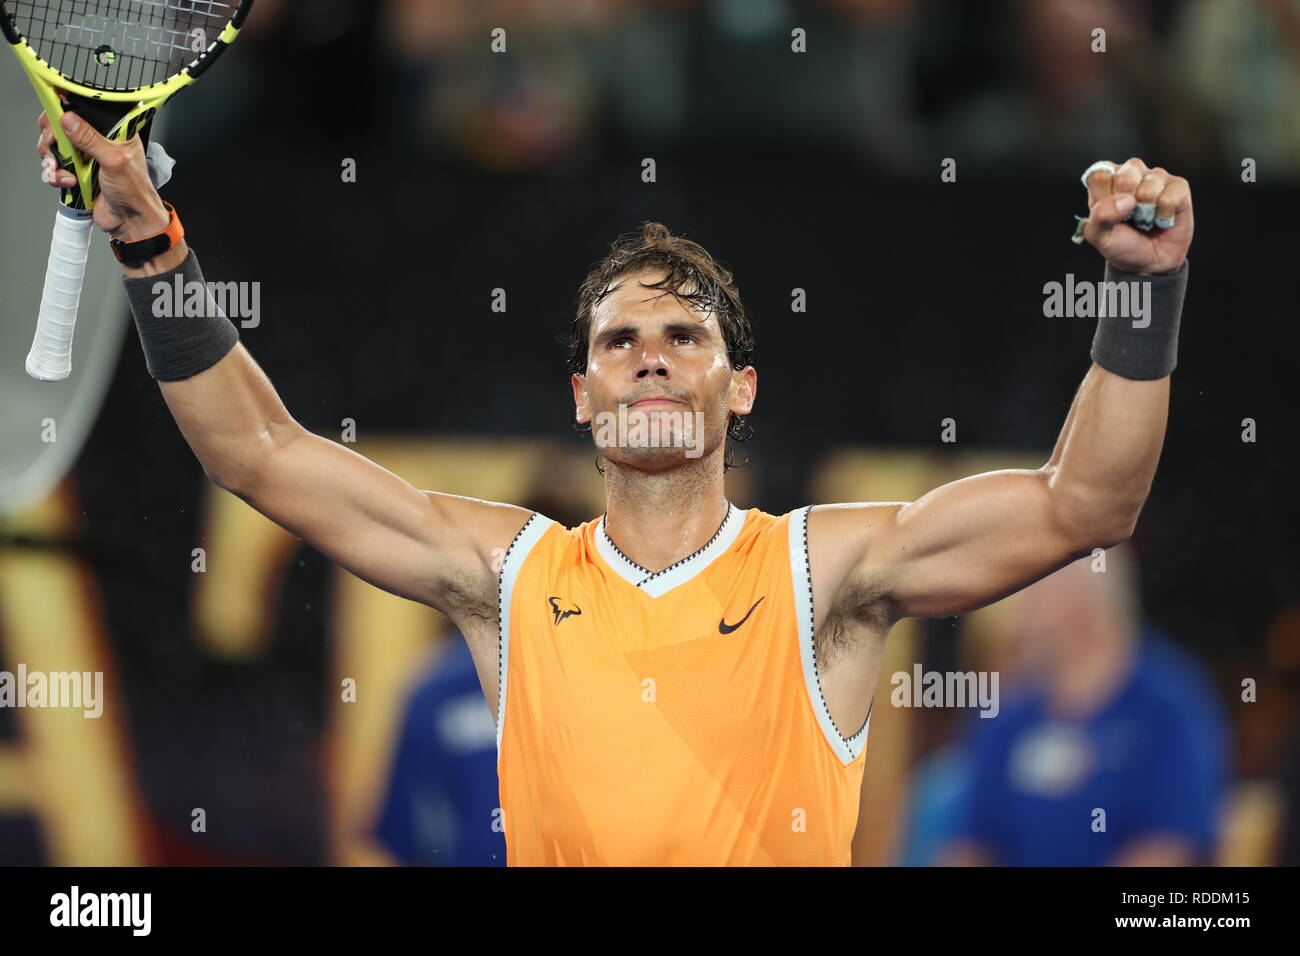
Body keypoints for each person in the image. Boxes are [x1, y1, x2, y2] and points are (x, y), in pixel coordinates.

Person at [36, 109, 1193, 865]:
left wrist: (1142, 292)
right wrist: (152, 249)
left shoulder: (823, 573)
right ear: (583, 395)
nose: (650, 356)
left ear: (739, 389)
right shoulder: (506, 575)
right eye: (619, 339)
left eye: (685, 337)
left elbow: (1083, 505)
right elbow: (257, 452)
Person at [939, 547, 1227, 866]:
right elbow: (970, 842)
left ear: (1081, 597)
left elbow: (1169, 846)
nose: (1022, 608)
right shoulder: (1011, 713)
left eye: (1036, 589)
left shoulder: (1168, 708)